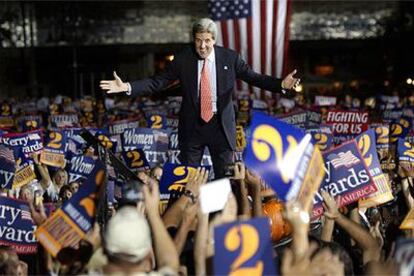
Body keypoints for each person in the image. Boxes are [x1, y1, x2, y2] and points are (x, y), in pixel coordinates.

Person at [100, 18, 300, 178]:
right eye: (198, 40)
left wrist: (281, 84)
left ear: (214, 40)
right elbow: (158, 82)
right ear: (194, 39)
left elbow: (254, 77)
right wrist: (127, 86)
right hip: (192, 127)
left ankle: (222, 221)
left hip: (221, 127)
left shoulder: (230, 58)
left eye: (207, 41)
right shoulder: (183, 59)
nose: (202, 46)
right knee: (189, 177)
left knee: (225, 178)